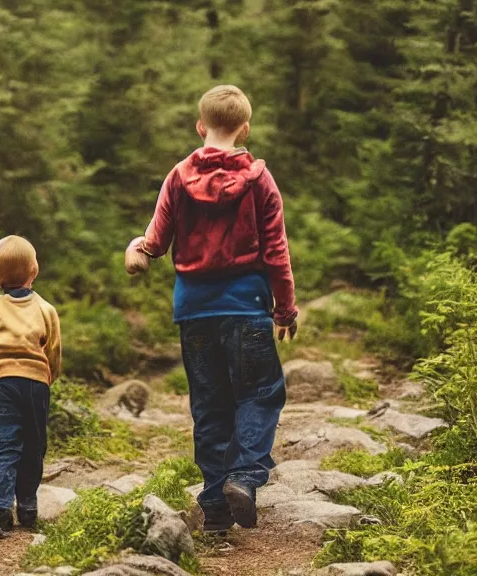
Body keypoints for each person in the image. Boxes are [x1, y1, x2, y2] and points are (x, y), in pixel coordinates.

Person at [124, 85, 298, 533]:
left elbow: (156, 244)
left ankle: (215, 505)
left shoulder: (178, 177)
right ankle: (244, 476)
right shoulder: (259, 179)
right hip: (246, 308)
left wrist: (136, 247)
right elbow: (276, 251)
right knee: (261, 394)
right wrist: (286, 309)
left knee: (210, 404)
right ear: (244, 129)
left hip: (195, 311)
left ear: (201, 126)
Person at [0, 235, 62, 539]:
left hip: (2, 383)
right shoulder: (46, 310)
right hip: (36, 384)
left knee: (1, 444)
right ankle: (28, 508)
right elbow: (54, 351)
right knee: (33, 445)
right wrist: (48, 377)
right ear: (34, 271)